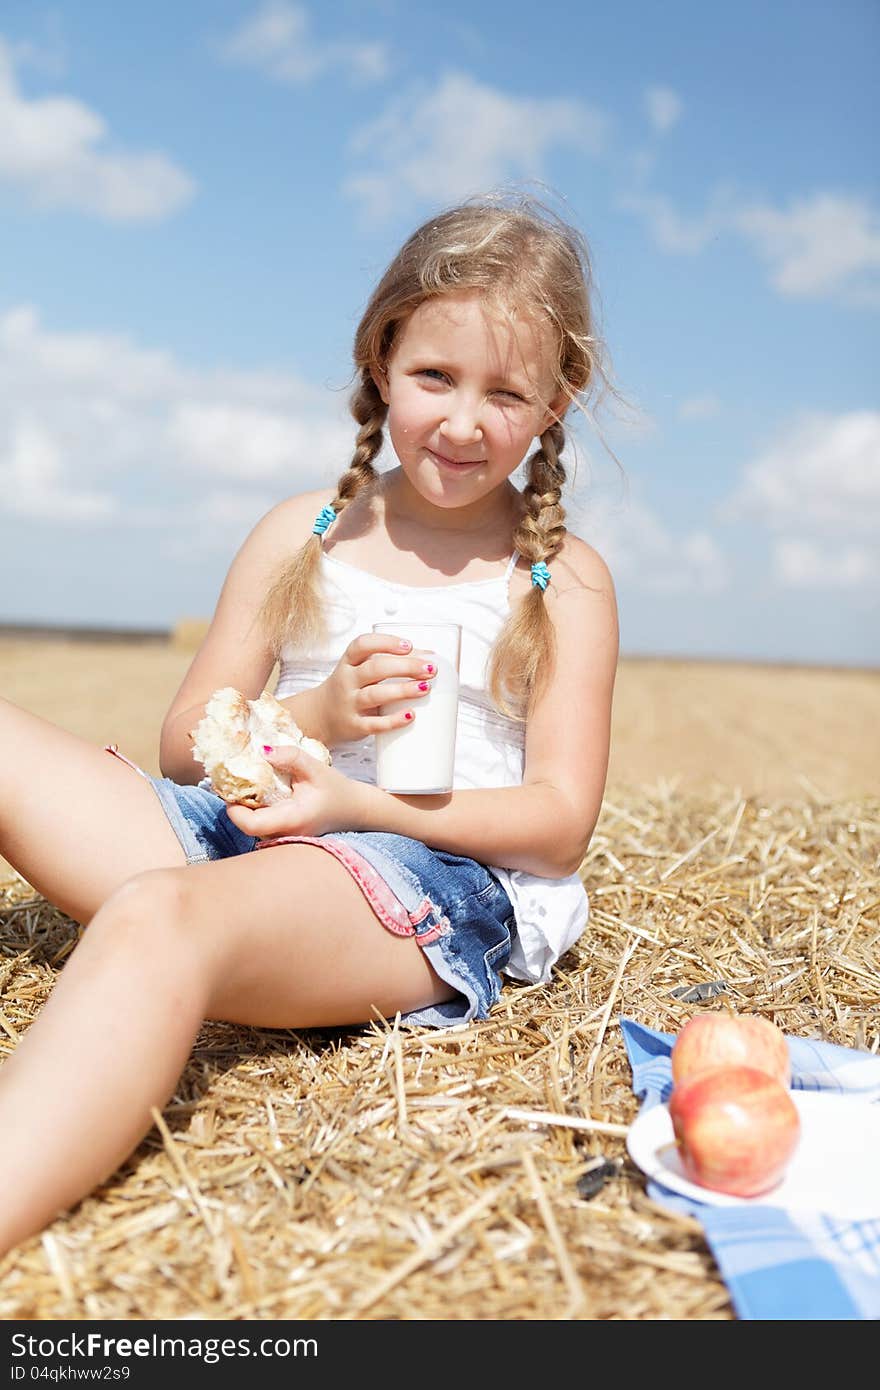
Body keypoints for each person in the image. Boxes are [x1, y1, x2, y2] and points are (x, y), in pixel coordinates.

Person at [0, 192, 619, 1255]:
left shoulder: (562, 579)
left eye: (505, 391)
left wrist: (354, 800)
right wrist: (317, 715)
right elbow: (186, 740)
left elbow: (559, 822)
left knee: (156, 917)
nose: (464, 421)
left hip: (418, 876)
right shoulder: (306, 530)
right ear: (381, 359)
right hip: (245, 828)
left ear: (557, 401)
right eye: (435, 376)